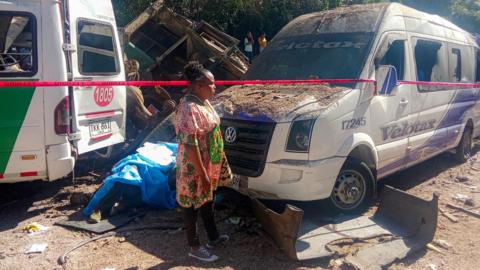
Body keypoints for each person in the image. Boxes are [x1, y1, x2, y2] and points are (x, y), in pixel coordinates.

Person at [174, 61, 230, 262]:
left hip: (208, 163)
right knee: (190, 204)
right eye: (211, 84)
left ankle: (213, 237)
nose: (215, 87)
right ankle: (194, 246)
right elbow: (190, 145)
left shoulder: (202, 102)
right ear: (198, 85)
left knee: (207, 200)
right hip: (193, 166)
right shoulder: (189, 108)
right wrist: (202, 173)